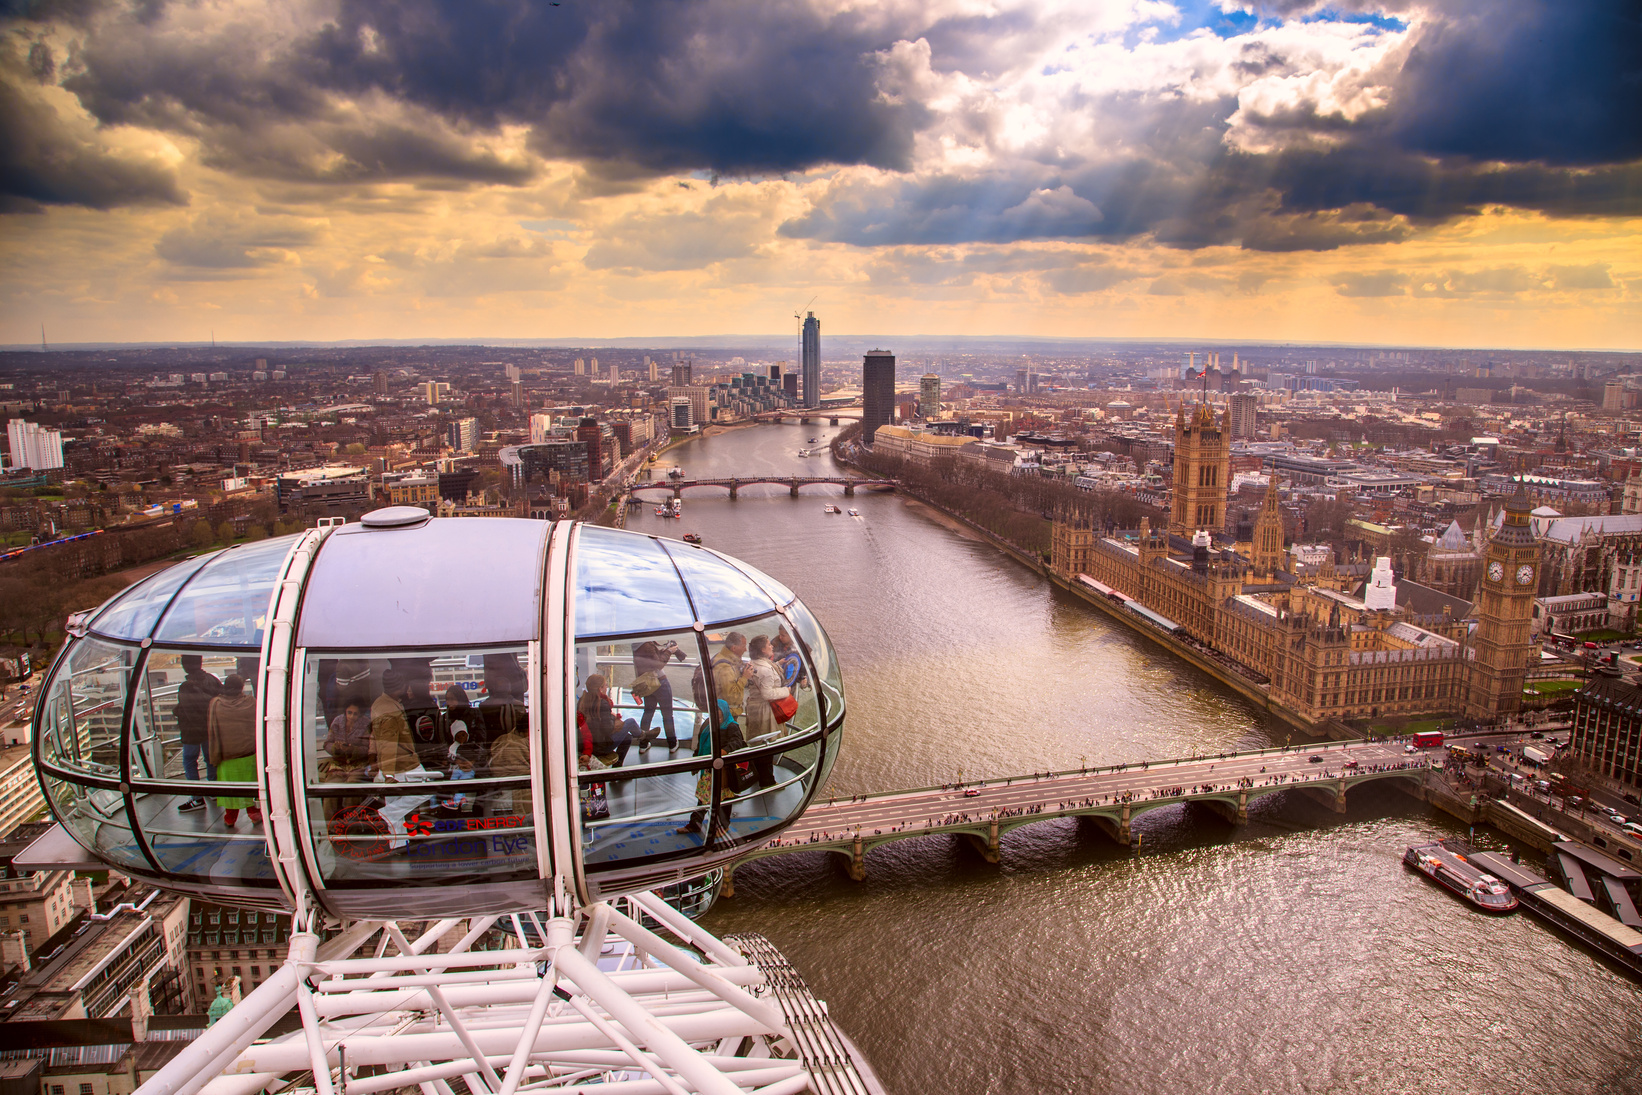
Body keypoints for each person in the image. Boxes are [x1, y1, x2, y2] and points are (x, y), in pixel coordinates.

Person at [207, 675, 259, 826]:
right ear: (241, 687)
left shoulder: (216, 704)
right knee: (250, 786)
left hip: (227, 755)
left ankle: (230, 819)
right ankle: (253, 813)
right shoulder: (251, 702)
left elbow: (212, 731)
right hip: (250, 753)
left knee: (231, 788)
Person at [173, 655, 222, 812]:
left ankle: (197, 798)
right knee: (210, 758)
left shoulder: (186, 687)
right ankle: (214, 790)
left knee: (189, 761)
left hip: (192, 732)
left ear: (185, 666)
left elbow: (186, 710)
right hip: (210, 728)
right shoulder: (212, 680)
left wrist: (176, 710)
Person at [741, 635, 788, 788]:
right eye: (769, 645)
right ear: (762, 649)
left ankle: (757, 776)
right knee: (767, 746)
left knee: (758, 744)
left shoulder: (752, 664)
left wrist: (777, 664)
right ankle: (767, 782)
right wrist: (785, 691)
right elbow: (767, 694)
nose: (772, 646)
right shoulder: (766, 669)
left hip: (753, 707)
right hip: (765, 710)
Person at [320, 695, 373, 819]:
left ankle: (349, 824)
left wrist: (352, 750)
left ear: (360, 714)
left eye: (355, 714)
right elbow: (327, 743)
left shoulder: (366, 724)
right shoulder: (337, 721)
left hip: (358, 766)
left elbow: (368, 748)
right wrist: (335, 748)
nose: (352, 716)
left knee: (352, 788)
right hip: (338, 765)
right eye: (349, 713)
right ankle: (330, 826)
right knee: (329, 790)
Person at [632, 638, 687, 752]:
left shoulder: (636, 644)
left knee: (648, 713)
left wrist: (664, 650)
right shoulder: (647, 645)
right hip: (660, 682)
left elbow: (651, 659)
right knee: (667, 715)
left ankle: (643, 744)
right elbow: (658, 664)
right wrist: (669, 652)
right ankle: (672, 744)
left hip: (647, 683)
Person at [579, 674, 637, 767]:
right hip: (600, 747)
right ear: (600, 688)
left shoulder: (582, 700)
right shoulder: (602, 703)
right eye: (605, 685)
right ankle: (643, 737)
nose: (607, 687)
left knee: (627, 738)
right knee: (630, 722)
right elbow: (608, 729)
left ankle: (617, 768)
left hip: (587, 745)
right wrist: (613, 718)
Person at [369, 668, 418, 777]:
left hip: (391, 766)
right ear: (400, 686)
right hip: (401, 767)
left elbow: (374, 735)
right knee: (426, 794)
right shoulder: (390, 711)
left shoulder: (378, 704)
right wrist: (389, 775)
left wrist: (372, 759)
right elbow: (389, 744)